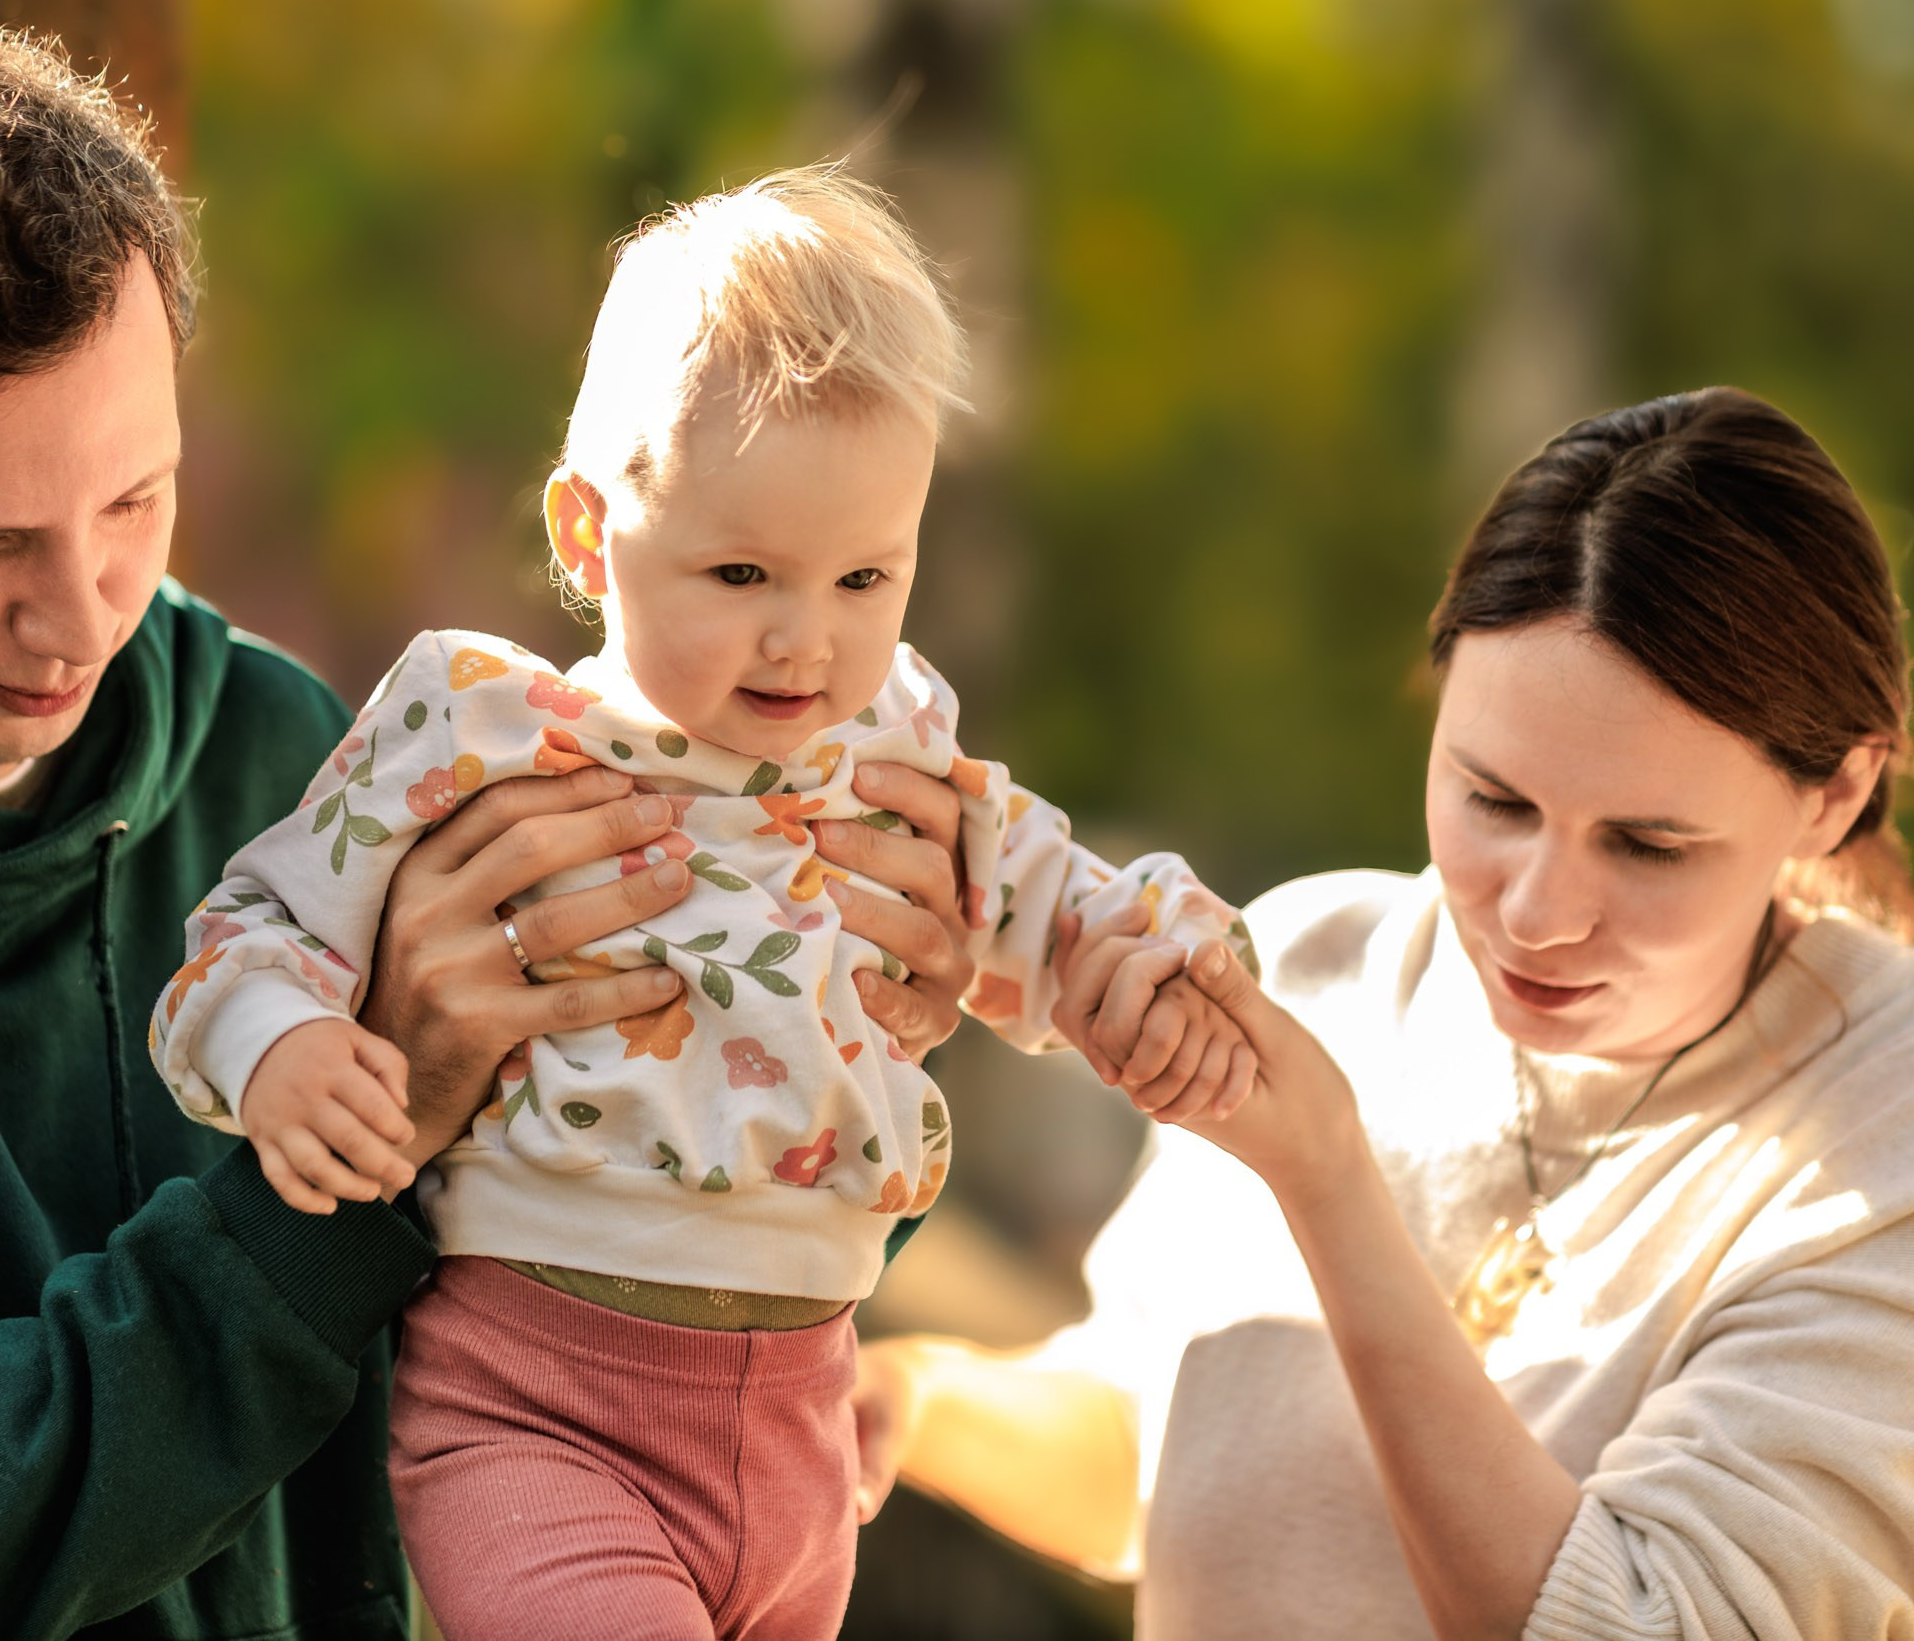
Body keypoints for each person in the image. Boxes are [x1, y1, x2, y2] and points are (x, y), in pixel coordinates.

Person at [0, 32, 977, 1639]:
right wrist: (366, 1140)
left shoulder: (276, 747)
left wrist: (839, 999)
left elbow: (621, 1251)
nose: (80, 618)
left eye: (132, 501)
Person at [147, 167, 1255, 1641]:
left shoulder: (893, 749)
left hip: (800, 1425)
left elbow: (1052, 907)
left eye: (865, 576)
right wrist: (279, 1045)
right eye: (741, 573)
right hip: (539, 1407)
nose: (806, 639)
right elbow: (250, 930)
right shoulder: (482, 731)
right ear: (588, 532)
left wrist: (1154, 956)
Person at [853, 388, 1914, 1639]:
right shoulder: (1313, 959)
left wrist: (1326, 1176)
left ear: (1833, 795)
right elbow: (1153, 1448)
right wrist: (903, 1400)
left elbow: (1637, 1623)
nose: (1536, 913)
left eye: (1647, 844)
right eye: (1493, 801)